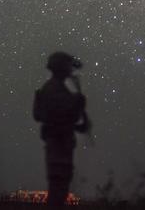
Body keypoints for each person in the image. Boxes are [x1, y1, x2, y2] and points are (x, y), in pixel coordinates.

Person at [33, 51, 91, 206]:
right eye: (67, 65)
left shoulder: (56, 89)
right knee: (58, 191)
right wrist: (78, 103)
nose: (70, 69)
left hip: (60, 145)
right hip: (58, 146)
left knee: (60, 189)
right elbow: (64, 115)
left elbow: (69, 120)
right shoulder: (54, 90)